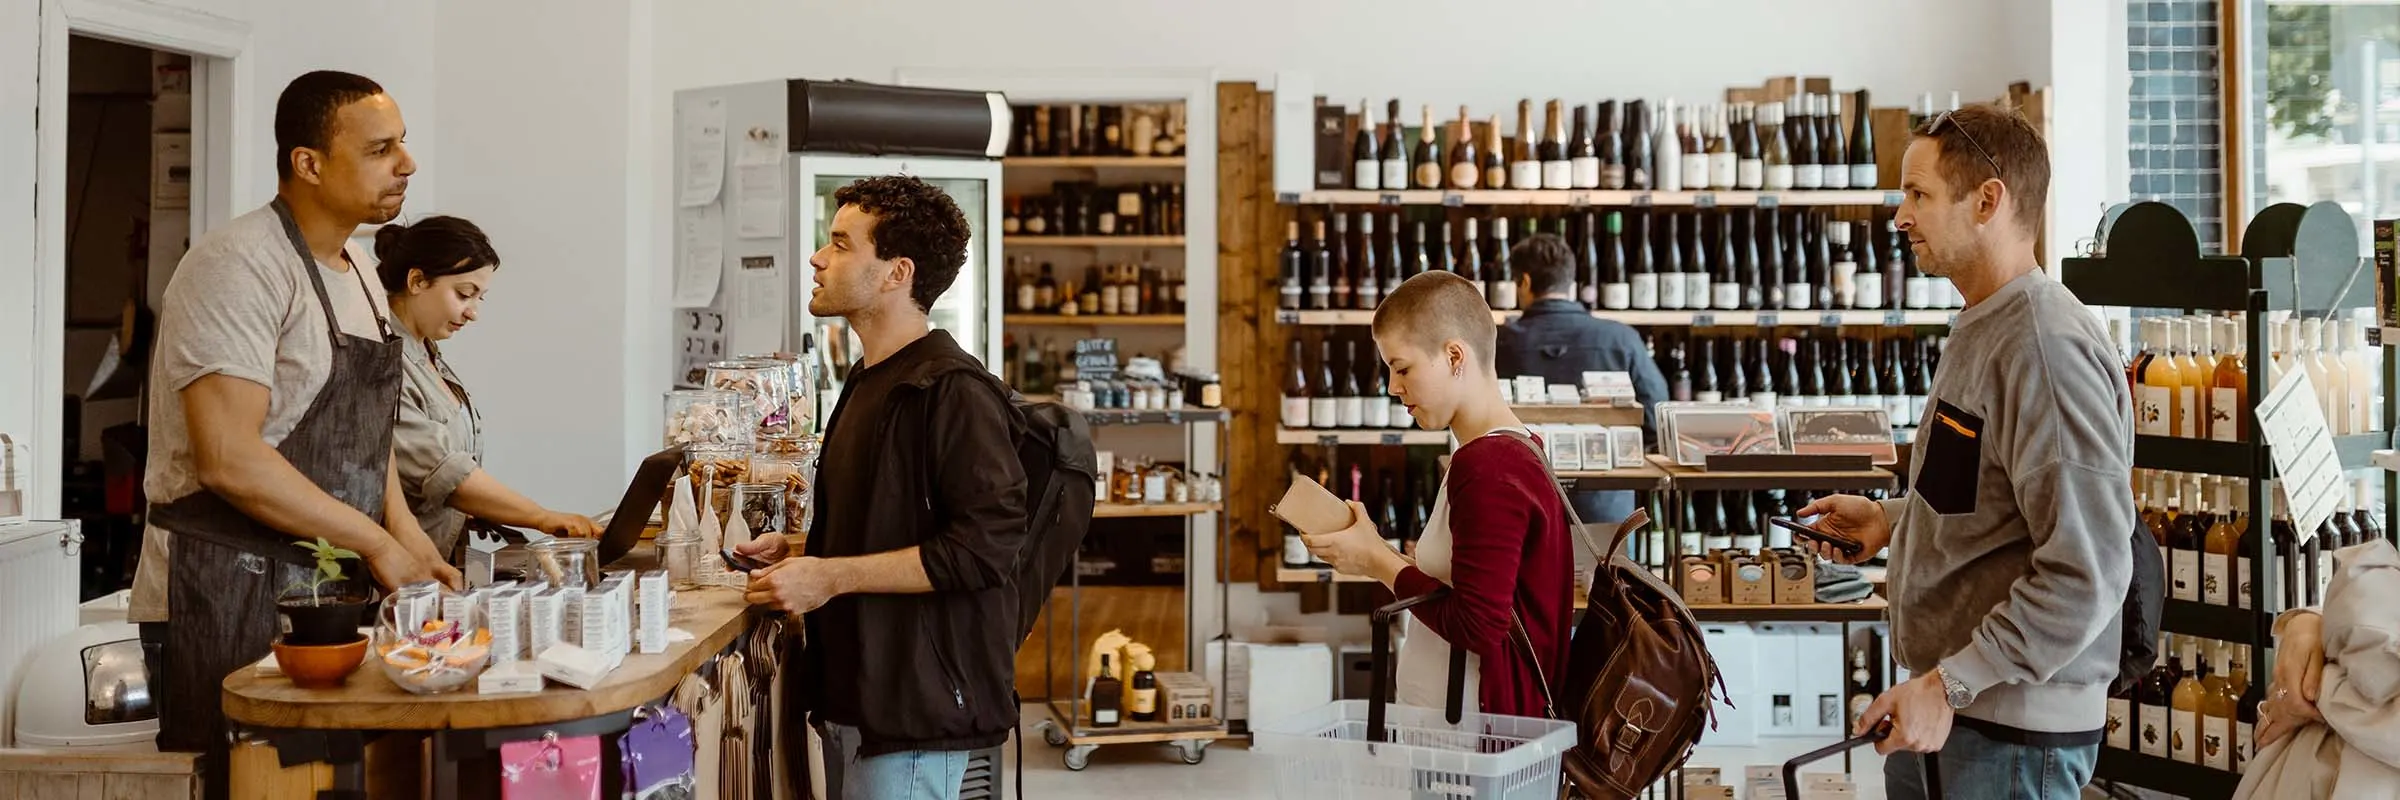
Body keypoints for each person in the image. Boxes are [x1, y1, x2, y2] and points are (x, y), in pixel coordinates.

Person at [130, 70, 457, 799]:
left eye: (403, 144)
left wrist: (411, 540)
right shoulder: (238, 265)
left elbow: (363, 448)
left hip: (323, 595)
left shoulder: (364, 277)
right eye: (380, 149)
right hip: (222, 596)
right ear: (309, 163)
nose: (407, 164)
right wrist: (374, 543)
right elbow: (229, 459)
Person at [1795, 104, 2133, 800]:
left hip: (2004, 734)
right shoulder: (1985, 323)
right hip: (1954, 715)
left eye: (1918, 194)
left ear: (1988, 201)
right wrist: (1894, 520)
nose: (1900, 217)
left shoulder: (2045, 349)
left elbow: (2088, 568)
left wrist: (1952, 681)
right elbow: (1986, 491)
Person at [733, 175, 1027, 800]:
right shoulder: (868, 381)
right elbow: (890, 521)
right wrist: (802, 550)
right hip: (859, 697)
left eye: (840, 244)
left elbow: (985, 549)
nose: (818, 258)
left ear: (897, 273)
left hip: (915, 712)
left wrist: (831, 577)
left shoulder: (954, 391)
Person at [1301, 271, 1573, 719]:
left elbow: (1478, 624)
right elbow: (1470, 590)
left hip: (1478, 740)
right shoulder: (1513, 448)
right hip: (1473, 734)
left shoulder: (1489, 466)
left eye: (1402, 367)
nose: (1393, 387)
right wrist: (1380, 554)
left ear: (1453, 356)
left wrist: (1377, 562)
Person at [374, 216, 601, 560]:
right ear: (417, 280)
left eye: (480, 298)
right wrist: (540, 517)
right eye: (464, 295)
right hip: (401, 567)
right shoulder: (383, 359)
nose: (473, 313)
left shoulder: (426, 352)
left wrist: (483, 509)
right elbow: (441, 470)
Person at [1496, 232, 1668, 525]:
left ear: (1524, 282)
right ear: (1570, 282)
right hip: (1606, 506)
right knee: (1610, 572)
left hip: (1520, 504)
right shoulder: (1621, 338)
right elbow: (1657, 417)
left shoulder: (1498, 342)